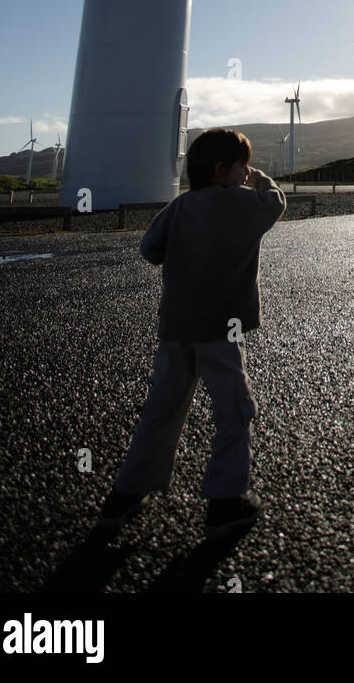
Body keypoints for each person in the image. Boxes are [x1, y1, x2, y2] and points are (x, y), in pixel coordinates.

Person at [96, 128, 286, 540]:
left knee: (161, 408)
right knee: (233, 409)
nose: (247, 171)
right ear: (223, 170)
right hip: (221, 329)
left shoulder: (180, 206)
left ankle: (125, 495)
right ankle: (225, 501)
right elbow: (275, 204)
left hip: (176, 326)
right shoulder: (245, 203)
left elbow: (150, 249)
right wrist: (262, 182)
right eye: (243, 165)